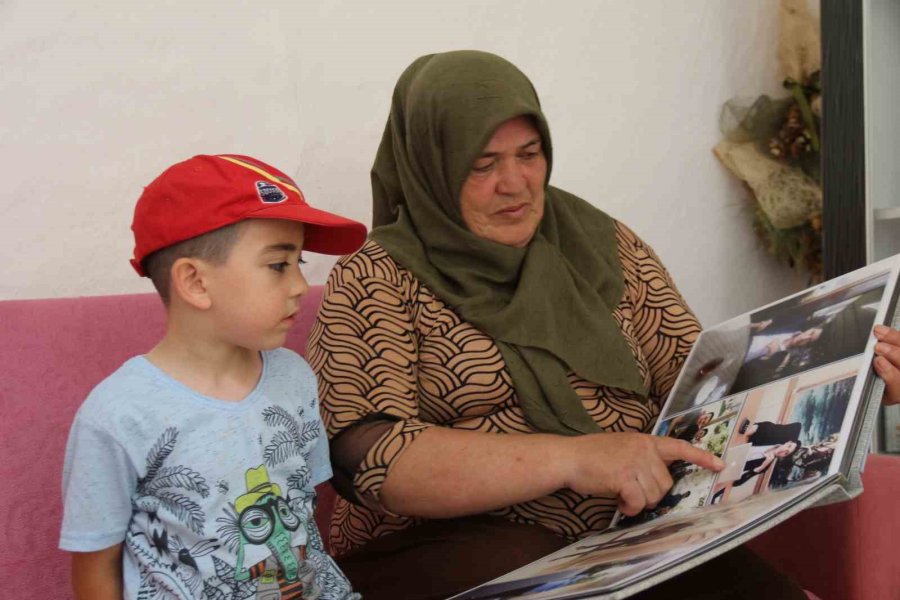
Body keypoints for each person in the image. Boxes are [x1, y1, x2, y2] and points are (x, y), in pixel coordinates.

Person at [308, 50, 900, 599]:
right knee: (534, 566)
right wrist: (573, 459)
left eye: (529, 154)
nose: (514, 184)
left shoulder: (600, 244)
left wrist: (855, 377)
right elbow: (372, 459)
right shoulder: (377, 278)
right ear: (428, 166)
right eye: (481, 164)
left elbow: (704, 392)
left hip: (632, 533)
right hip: (455, 548)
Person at [59, 155, 367, 599]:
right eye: (279, 265)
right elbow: (94, 568)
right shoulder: (117, 415)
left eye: (299, 262)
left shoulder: (294, 377)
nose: (300, 284)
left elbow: (303, 518)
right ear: (196, 283)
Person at [733, 441, 801, 488]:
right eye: (788, 446)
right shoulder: (768, 439)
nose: (784, 450)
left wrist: (760, 468)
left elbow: (736, 483)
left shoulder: (765, 465)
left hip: (731, 462)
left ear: (784, 457)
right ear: (788, 442)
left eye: (786, 453)